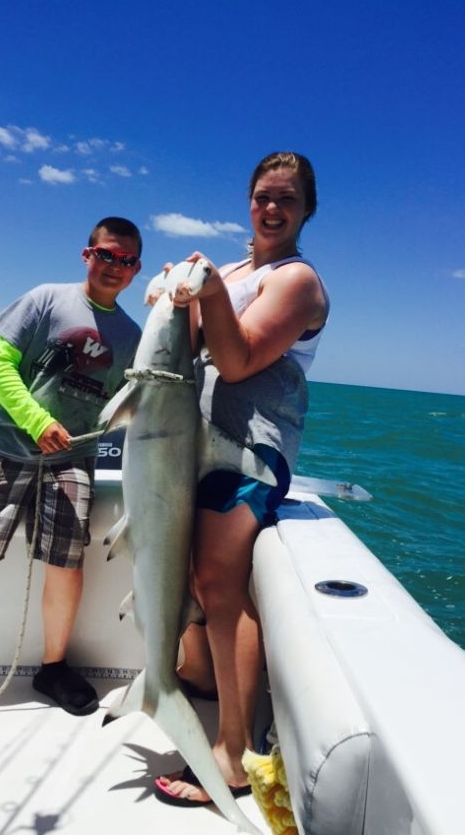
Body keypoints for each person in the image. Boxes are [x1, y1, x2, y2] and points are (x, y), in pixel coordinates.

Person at [154, 152, 330, 803]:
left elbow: (236, 361)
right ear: (248, 201)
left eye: (287, 198)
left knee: (220, 582)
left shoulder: (297, 281)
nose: (272, 208)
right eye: (263, 196)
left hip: (251, 447)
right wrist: (175, 293)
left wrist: (208, 294)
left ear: (307, 209)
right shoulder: (229, 272)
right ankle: (203, 682)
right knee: (189, 573)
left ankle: (235, 752)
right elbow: (190, 342)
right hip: (194, 439)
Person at [0, 216, 142, 716]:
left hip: (72, 461)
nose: (114, 266)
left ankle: (53, 668)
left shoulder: (133, 336)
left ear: (137, 270)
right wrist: (37, 420)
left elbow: (130, 403)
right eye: (106, 254)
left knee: (66, 567)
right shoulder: (46, 298)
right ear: (87, 255)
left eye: (127, 260)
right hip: (6, 449)